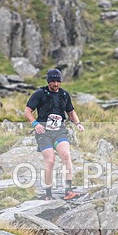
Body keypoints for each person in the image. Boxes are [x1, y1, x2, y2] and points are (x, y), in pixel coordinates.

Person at [24, 68, 85, 200]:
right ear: (48, 81)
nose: (56, 84)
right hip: (44, 133)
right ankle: (48, 194)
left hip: (59, 132)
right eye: (53, 81)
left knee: (66, 156)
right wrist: (35, 124)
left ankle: (68, 191)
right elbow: (27, 111)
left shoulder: (64, 95)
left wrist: (78, 123)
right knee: (50, 161)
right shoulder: (40, 93)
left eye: (58, 81)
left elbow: (71, 112)